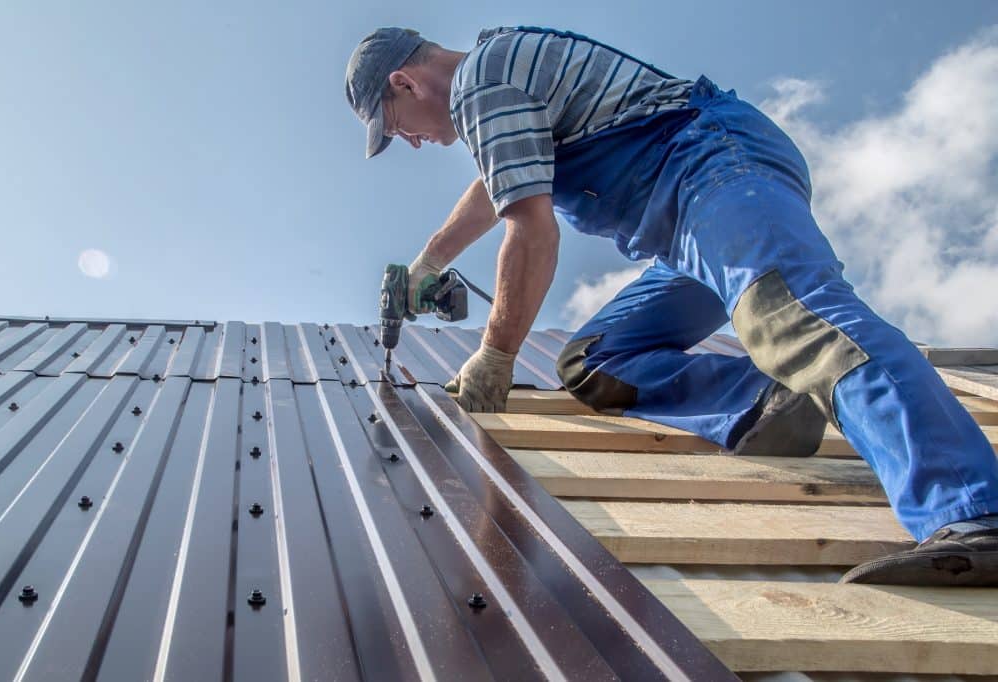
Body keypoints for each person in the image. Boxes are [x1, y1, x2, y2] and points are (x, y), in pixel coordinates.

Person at [345, 26, 998, 586]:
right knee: (596, 359)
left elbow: (532, 228)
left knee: (790, 317)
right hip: (687, 228)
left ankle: (969, 512)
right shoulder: (498, 86)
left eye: (395, 126)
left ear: (404, 81)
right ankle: (764, 403)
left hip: (715, 169)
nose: (410, 141)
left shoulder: (482, 82)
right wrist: (429, 262)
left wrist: (496, 355)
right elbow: (496, 189)